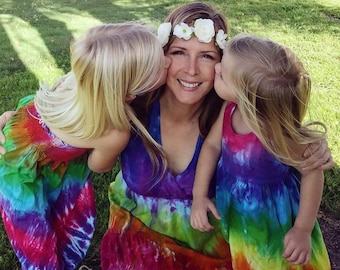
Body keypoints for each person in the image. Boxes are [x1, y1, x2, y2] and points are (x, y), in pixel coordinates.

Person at [98, 2, 334, 270]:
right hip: (137, 251)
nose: (191, 69)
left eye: (207, 56)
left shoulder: (233, 113)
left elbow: (280, 117)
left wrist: (311, 147)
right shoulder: (132, 104)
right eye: (179, 52)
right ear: (162, 54)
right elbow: (84, 91)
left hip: (213, 257)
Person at [0, 22, 168, 270]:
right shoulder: (114, 133)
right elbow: (97, 165)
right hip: (18, 173)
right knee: (38, 245)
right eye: (156, 67)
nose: (167, 63)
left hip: (19, 133)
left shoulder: (72, 82)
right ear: (129, 94)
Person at [190, 33, 330, 269]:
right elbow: (213, 147)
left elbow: (312, 172)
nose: (216, 68)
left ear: (246, 96)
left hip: (272, 221)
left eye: (222, 74)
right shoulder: (229, 110)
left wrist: (302, 230)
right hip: (238, 208)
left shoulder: (272, 132)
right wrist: (199, 196)